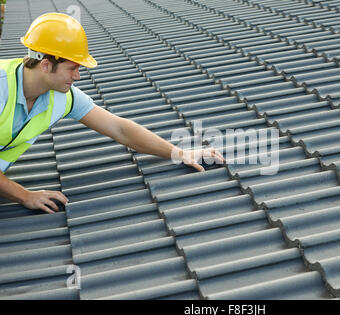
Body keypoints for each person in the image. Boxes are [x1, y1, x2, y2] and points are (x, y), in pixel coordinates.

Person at [0, 12, 224, 214]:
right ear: (46, 65)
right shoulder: (2, 87)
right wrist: (25, 196)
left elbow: (120, 128)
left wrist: (178, 153)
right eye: (72, 68)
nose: (77, 76)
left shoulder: (62, 98)